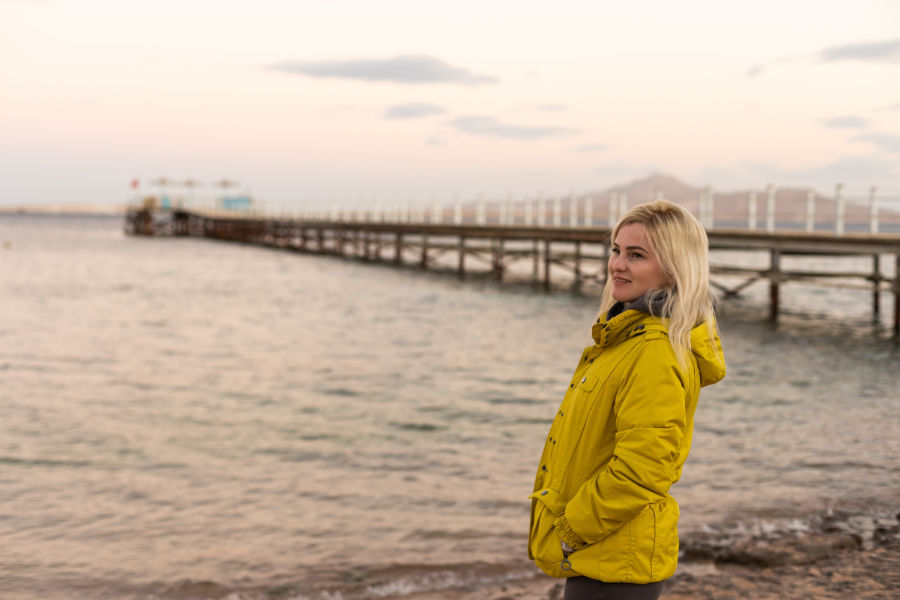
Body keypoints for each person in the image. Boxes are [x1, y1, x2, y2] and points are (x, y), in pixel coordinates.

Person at [528, 200, 727, 600]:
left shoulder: (655, 350)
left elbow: (643, 469)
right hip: (604, 554)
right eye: (616, 250)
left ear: (674, 267)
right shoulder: (626, 339)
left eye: (636, 255)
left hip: (615, 560)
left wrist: (570, 531)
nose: (617, 265)